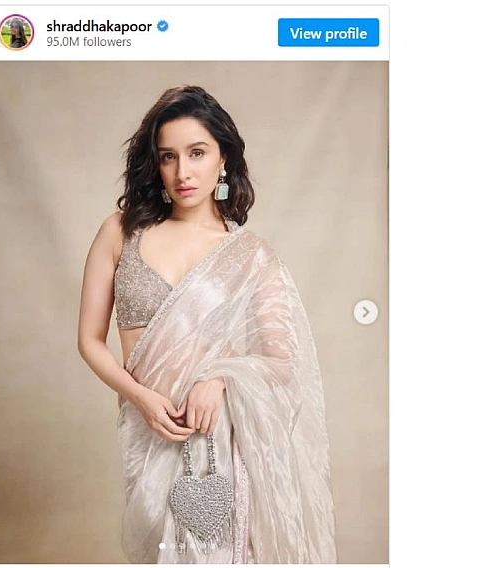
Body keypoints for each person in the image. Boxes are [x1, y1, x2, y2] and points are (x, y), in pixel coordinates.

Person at [77, 85, 337, 563]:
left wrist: (219, 379)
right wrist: (141, 398)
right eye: (168, 156)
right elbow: (90, 341)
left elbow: (282, 360)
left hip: (222, 440)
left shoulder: (251, 255)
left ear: (223, 159)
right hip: (148, 431)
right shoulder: (120, 231)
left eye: (197, 153)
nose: (182, 171)